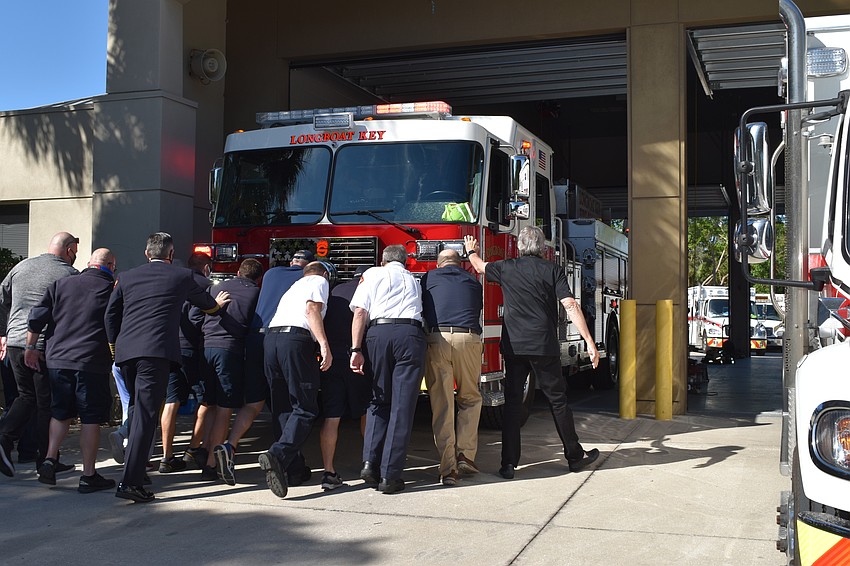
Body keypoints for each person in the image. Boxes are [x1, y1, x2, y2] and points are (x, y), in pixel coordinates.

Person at [463, 227, 600, 479]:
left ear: (519, 247)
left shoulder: (507, 267)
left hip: (514, 348)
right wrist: (589, 341)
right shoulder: (552, 270)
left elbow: (479, 266)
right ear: (541, 247)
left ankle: (508, 464)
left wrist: (472, 249)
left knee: (513, 403)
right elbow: (570, 304)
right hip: (543, 346)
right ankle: (574, 456)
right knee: (557, 401)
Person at [105, 232, 230, 503]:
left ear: (146, 253)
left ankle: (134, 471)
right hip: (155, 354)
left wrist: (114, 347)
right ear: (171, 255)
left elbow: (110, 314)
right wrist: (218, 306)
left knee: (138, 413)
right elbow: (207, 305)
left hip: (126, 354)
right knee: (145, 417)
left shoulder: (126, 277)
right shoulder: (181, 277)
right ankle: (130, 482)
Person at [214, 248, 313, 486]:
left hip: (254, 341)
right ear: (308, 266)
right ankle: (287, 463)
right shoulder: (307, 279)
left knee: (254, 403)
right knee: (287, 404)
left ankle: (230, 446)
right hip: (278, 340)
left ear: (291, 260)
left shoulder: (270, 274)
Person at [25, 248, 118, 493]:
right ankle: (88, 475)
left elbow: (37, 317)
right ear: (109, 265)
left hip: (58, 361)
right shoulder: (111, 290)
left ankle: (49, 459)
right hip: (91, 362)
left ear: (89, 264)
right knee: (90, 419)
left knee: (60, 413)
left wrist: (30, 347)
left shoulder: (61, 285)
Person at [0, 232, 80, 477]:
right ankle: (40, 457)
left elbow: (2, 299)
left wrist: (4, 333)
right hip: (41, 346)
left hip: (14, 343)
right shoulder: (68, 275)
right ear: (68, 250)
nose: (75, 256)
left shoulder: (21, 266)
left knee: (26, 397)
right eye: (75, 251)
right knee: (45, 404)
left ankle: (43, 457)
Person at [350, 245, 426, 495]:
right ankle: (390, 476)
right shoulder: (414, 280)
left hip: (378, 334)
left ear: (383, 261)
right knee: (401, 407)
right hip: (410, 334)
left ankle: (370, 464)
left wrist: (355, 349)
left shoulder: (372, 274)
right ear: (405, 263)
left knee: (378, 400)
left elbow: (360, 311)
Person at [258, 261, 332, 499]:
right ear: (324, 273)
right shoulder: (318, 281)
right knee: (306, 407)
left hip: (271, 340)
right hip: (295, 340)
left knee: (282, 406)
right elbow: (312, 310)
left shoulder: (293, 287)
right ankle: (278, 454)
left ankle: (293, 469)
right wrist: (323, 344)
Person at [421, 249, 483, 486]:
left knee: (442, 405)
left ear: (439, 264)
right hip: (468, 339)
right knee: (470, 398)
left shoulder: (429, 278)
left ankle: (448, 470)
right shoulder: (473, 281)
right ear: (460, 264)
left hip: (438, 340)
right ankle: (465, 454)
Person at [200, 258, 262, 485]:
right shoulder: (256, 294)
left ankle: (199, 449)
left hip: (206, 348)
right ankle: (211, 464)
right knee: (225, 410)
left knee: (209, 404)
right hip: (230, 350)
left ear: (237, 272)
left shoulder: (216, 287)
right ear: (258, 278)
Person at [318, 264, 373, 491]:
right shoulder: (369, 291)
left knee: (332, 417)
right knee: (366, 412)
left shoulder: (333, 293)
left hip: (332, 359)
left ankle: (328, 472)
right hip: (358, 360)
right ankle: (370, 464)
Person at [158, 252, 212, 474]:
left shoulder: (174, 282)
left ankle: (166, 456)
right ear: (206, 267)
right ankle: (193, 448)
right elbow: (201, 317)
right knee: (206, 399)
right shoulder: (205, 285)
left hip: (171, 347)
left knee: (171, 401)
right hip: (194, 349)